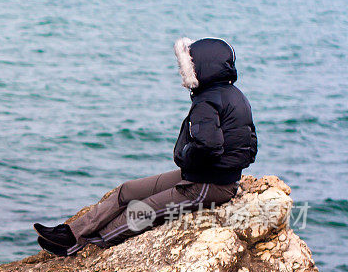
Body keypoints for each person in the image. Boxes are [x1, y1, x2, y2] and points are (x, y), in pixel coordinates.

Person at [34, 37, 258, 256]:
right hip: (201, 176)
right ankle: (71, 233)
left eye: (188, 66)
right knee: (127, 191)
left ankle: (84, 246)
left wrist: (185, 156)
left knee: (140, 211)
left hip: (209, 185)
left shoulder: (208, 102)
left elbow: (208, 147)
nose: (183, 71)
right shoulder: (233, 96)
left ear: (203, 68)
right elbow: (251, 146)